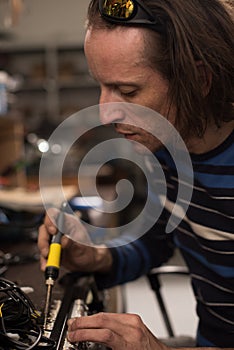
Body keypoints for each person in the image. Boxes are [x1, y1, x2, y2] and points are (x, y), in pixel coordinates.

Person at [38, 0, 234, 348]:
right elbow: (156, 243)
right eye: (101, 85)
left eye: (127, 91)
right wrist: (95, 257)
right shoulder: (165, 154)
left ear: (199, 79)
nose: (105, 113)